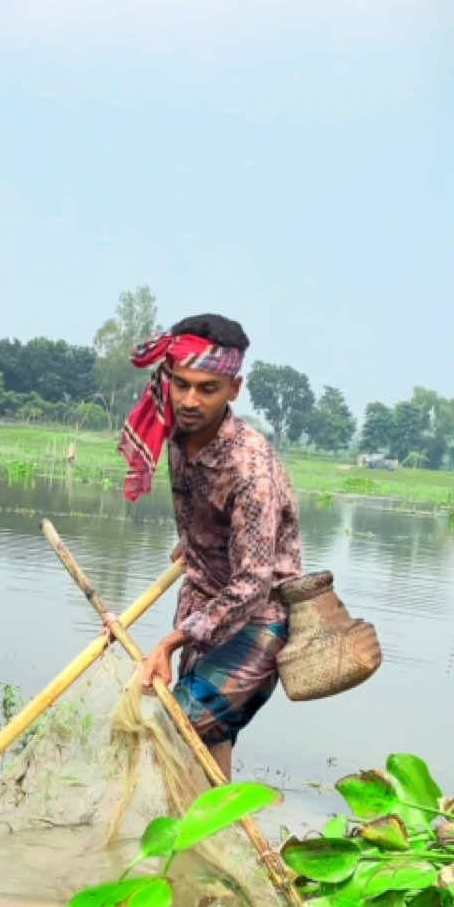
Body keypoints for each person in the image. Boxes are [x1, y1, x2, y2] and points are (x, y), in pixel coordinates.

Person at [118, 313, 302, 779]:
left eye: (207, 388)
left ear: (233, 389)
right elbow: (204, 508)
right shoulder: (176, 435)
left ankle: (214, 840)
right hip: (203, 604)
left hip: (258, 621)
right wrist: (195, 541)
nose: (189, 400)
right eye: (181, 384)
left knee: (174, 729)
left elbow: (252, 584)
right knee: (209, 749)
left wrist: (171, 639)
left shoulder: (249, 468)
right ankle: (213, 843)